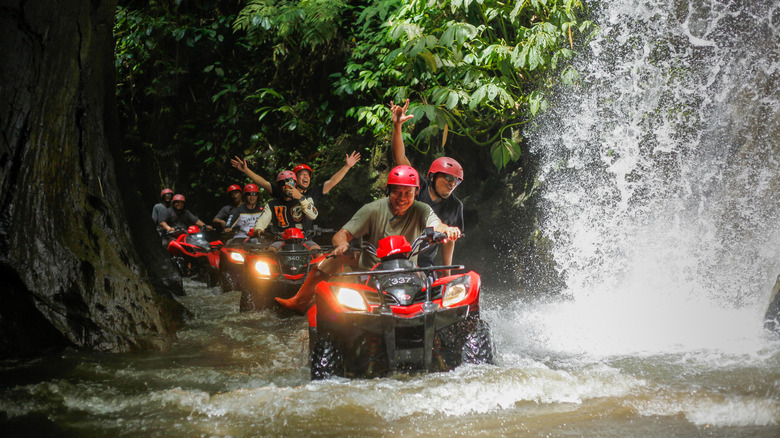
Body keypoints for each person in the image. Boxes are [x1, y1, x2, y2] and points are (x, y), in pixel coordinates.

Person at [276, 165, 462, 313]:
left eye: (408, 193)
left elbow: (436, 224)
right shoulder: (372, 209)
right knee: (334, 258)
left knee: (441, 297)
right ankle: (299, 301)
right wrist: (342, 244)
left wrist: (448, 230)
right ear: (389, 190)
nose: (402, 198)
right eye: (397, 192)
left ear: (416, 192)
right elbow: (341, 235)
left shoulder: (422, 209)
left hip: (410, 272)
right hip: (372, 270)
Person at [390, 99, 465, 276]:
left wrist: (446, 274)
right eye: (447, 177)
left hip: (425, 262)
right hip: (396, 256)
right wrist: (397, 127)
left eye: (456, 181)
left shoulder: (455, 206)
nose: (452, 183)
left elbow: (450, 239)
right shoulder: (417, 187)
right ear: (432, 177)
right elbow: (399, 158)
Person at [230, 151, 361, 205]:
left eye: (307, 175)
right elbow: (263, 183)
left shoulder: (313, 193)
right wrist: (246, 170)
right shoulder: (283, 192)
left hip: (306, 239)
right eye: (301, 174)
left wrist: (347, 166)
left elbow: (332, 182)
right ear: (294, 178)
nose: (306, 177)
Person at [253, 171, 319, 250]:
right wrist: (258, 229)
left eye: (290, 182)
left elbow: (313, 215)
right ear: (279, 186)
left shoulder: (306, 199)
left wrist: (300, 198)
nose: (287, 186)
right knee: (271, 251)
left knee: (317, 251)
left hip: (304, 239)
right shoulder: (272, 204)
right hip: (281, 240)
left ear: (295, 184)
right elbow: (262, 221)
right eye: (283, 183)